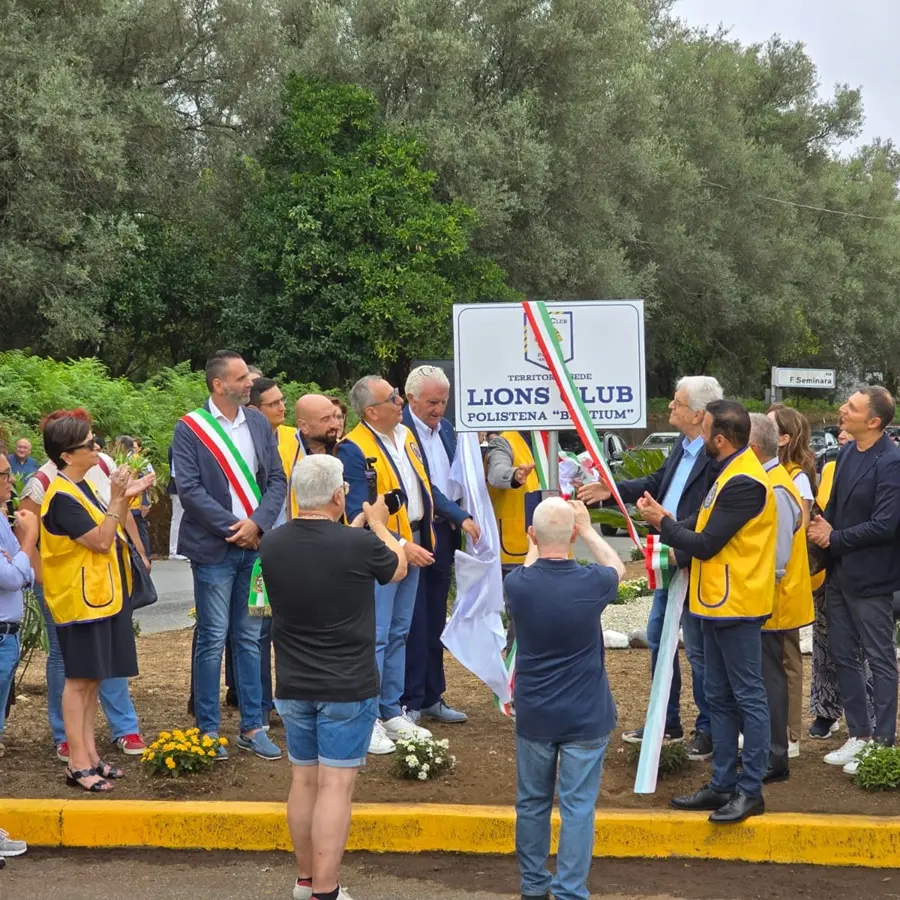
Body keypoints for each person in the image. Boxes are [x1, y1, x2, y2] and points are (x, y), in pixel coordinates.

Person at [260, 455, 406, 900]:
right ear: (339, 494)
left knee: (304, 780)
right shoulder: (357, 544)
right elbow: (397, 566)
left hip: (293, 680)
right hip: (347, 683)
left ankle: (306, 880)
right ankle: (326, 889)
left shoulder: (272, 542)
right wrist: (378, 524)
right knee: (336, 786)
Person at [639, 400, 776, 824]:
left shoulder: (745, 481)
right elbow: (697, 525)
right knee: (717, 694)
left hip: (737, 604)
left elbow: (704, 542)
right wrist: (664, 520)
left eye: (705, 428)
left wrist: (662, 521)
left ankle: (749, 789)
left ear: (720, 438)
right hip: (714, 601)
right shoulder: (728, 472)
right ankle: (721, 785)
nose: (698, 434)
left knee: (747, 697)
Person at [578, 375, 723, 761]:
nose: (670, 408)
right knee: (659, 637)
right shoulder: (683, 443)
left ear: (697, 413)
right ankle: (666, 719)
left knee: (699, 649)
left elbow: (711, 513)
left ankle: (707, 730)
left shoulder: (715, 453)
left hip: (691, 556)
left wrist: (679, 538)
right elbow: (659, 481)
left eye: (676, 403)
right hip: (667, 553)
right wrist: (612, 489)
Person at [506, 498, 624, 900]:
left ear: (532, 536)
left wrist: (536, 538)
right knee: (577, 808)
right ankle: (571, 890)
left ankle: (533, 887)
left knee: (532, 804)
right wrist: (589, 529)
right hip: (586, 715)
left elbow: (528, 565)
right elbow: (618, 567)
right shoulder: (593, 583)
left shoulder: (518, 585)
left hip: (537, 715)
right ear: (573, 534)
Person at [171, 350, 287, 761]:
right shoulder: (190, 429)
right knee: (212, 638)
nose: (248, 384)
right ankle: (207, 730)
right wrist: (234, 528)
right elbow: (189, 489)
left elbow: (276, 479)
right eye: (240, 378)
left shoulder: (257, 422)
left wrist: (257, 524)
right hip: (215, 550)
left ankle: (252, 726)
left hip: (255, 549)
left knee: (251, 637)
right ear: (219, 385)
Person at [19, 410, 150, 761]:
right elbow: (102, 540)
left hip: (101, 596)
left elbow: (114, 528)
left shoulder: (86, 485)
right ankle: (77, 760)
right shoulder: (59, 494)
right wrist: (119, 498)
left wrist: (122, 496)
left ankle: (91, 755)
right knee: (77, 680)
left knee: (93, 679)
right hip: (80, 601)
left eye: (96, 440)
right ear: (66, 454)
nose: (98, 448)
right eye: (89, 443)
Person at [336, 376, 437, 755]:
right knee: (375, 635)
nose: (400, 401)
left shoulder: (407, 437)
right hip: (381, 553)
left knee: (399, 632)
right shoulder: (352, 448)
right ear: (371, 411)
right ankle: (368, 718)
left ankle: (391, 710)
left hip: (411, 543)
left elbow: (422, 489)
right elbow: (357, 509)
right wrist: (402, 546)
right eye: (392, 398)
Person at [809, 386, 900, 774]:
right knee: (843, 655)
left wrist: (835, 537)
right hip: (840, 575)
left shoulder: (891, 462)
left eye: (852, 407)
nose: (842, 410)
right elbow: (834, 509)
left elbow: (885, 523)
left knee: (880, 659)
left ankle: (883, 743)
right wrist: (821, 526)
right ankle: (859, 735)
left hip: (873, 579)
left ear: (874, 421)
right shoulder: (845, 453)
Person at [401, 365, 481, 724]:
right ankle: (410, 700)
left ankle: (433, 695)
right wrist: (459, 515)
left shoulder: (447, 430)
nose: (439, 409)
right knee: (413, 620)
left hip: (444, 533)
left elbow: (459, 477)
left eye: (444, 401)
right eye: (432, 402)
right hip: (417, 532)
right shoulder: (400, 432)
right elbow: (423, 486)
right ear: (411, 399)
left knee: (435, 617)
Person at [748, 414, 814, 784]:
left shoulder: (778, 487)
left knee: (775, 672)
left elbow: (777, 553)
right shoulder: (773, 480)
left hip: (774, 597)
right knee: (770, 671)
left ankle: (780, 746)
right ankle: (775, 744)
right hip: (771, 595)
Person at [808, 429, 874, 738]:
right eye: (841, 430)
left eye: (850, 429)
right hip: (830, 568)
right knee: (827, 644)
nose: (843, 434)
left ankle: (869, 719)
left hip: (868, 570)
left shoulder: (885, 464)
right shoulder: (831, 467)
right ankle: (826, 710)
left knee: (870, 648)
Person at [767, 404, 817, 759]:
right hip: (766, 579)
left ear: (784, 438)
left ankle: (790, 733)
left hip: (785, 580)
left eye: (769, 427)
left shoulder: (796, 476)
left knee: (787, 658)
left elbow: (794, 524)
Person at [249, 376, 299, 725]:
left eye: (283, 400)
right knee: (259, 628)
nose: (282, 407)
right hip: (260, 551)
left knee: (289, 628)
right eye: (273, 403)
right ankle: (261, 705)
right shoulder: (246, 445)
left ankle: (289, 699)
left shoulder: (292, 437)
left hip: (292, 547)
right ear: (254, 410)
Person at [0, 443, 37, 759]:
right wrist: (29, 540)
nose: (11, 481)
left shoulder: (1, 519)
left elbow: (27, 576)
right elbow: (12, 578)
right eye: (5, 475)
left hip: (8, 634)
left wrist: (19, 561)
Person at [115, 436, 154, 559]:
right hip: (127, 503)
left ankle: (145, 557)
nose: (115, 447)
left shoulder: (136, 460)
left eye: (116, 445)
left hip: (135, 503)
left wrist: (145, 501)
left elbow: (147, 481)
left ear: (122, 446)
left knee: (140, 531)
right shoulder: (121, 459)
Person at [168, 443, 187, 560]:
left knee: (182, 519)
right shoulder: (177, 447)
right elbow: (175, 473)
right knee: (177, 519)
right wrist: (182, 491)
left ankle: (180, 549)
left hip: (182, 489)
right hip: (178, 490)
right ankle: (174, 551)